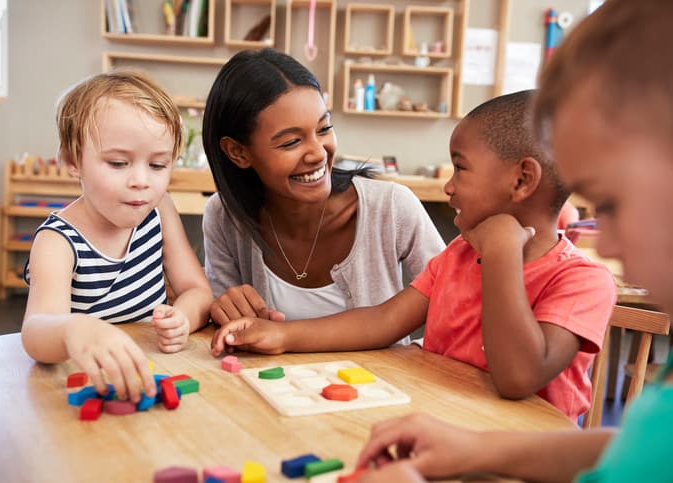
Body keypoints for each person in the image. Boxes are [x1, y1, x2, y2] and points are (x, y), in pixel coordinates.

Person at [355, 1, 673, 481]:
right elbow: (632, 451)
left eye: (610, 202)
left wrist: (503, 251)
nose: (604, 245)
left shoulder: (576, 276)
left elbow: (519, 378)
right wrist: (475, 450)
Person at [211, 88, 618, 420]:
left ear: (522, 179)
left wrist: (501, 255)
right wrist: (282, 335)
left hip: (524, 459)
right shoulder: (458, 256)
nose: (449, 187)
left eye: (460, 168)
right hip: (443, 431)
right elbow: (382, 320)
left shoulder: (583, 281)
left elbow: (517, 378)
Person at [201, 48, 445, 331]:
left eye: (324, 128)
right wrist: (221, 308)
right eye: (291, 142)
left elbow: (455, 303)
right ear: (238, 152)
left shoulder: (392, 207)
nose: (318, 153)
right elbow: (228, 332)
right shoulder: (225, 216)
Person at [22, 70, 213, 403]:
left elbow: (198, 290)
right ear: (72, 160)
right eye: (118, 162)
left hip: (150, 374)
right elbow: (36, 333)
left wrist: (183, 316)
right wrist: (73, 330)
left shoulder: (160, 210)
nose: (141, 180)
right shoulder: (57, 241)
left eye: (157, 166)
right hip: (83, 384)